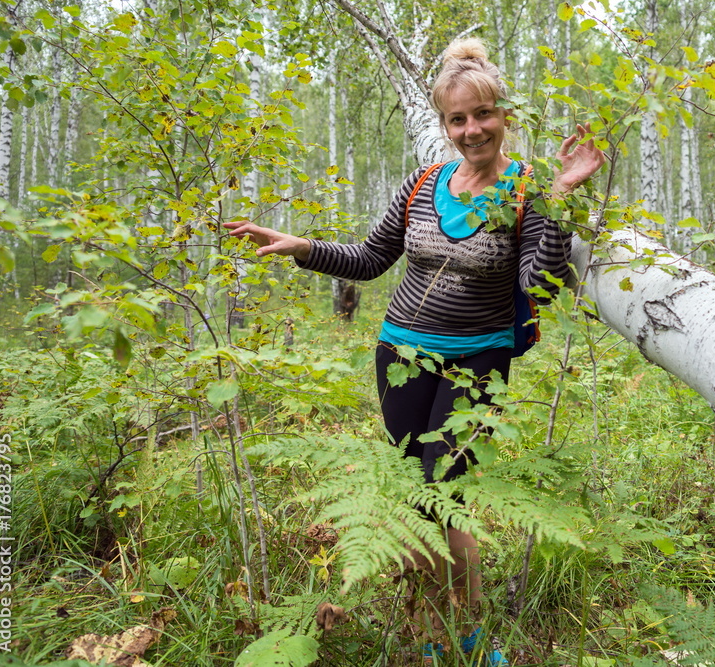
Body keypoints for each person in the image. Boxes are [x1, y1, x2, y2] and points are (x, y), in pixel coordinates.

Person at [224, 37, 605, 666]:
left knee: (445, 492)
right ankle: (431, 635)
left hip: (478, 362)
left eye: (483, 113)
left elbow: (536, 284)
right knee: (412, 492)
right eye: (457, 118)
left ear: (504, 113)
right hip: (400, 356)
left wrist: (561, 194)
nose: (472, 128)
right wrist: (302, 247)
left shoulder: (525, 190)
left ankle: (472, 636)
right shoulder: (425, 182)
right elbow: (371, 260)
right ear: (445, 124)